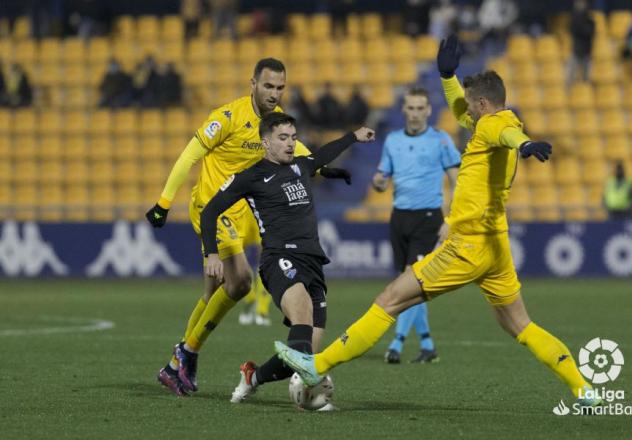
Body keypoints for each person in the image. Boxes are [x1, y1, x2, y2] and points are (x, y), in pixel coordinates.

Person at [275, 35, 601, 408]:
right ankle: (582, 387)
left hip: (467, 245)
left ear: (484, 104)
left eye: (472, 108)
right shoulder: (489, 120)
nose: (468, 117)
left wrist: (524, 144)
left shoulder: (496, 126)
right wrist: (448, 76)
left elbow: (506, 134)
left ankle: (317, 364)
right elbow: (469, 113)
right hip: (496, 244)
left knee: (390, 300)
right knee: (520, 325)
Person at [145, 58, 350, 396]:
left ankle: (176, 363)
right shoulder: (227, 117)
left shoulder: (273, 124)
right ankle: (186, 353)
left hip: (244, 211)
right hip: (213, 204)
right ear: (252, 83)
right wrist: (164, 203)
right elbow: (189, 155)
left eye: (280, 87)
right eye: (268, 86)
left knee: (215, 295)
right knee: (240, 281)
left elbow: (299, 151)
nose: (274, 93)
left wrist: (326, 171)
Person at [200, 112, 374, 404]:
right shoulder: (251, 177)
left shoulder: (300, 166)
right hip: (279, 259)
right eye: (283, 138)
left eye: (293, 137)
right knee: (302, 319)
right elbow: (209, 212)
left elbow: (321, 156)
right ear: (266, 142)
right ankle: (312, 396)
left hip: (313, 261)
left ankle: (252, 377)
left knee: (307, 355)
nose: (291, 143)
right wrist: (211, 254)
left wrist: (352, 138)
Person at [372, 86, 460, 364]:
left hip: (428, 217)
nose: (415, 113)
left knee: (409, 280)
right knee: (406, 281)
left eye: (420, 108)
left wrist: (450, 219)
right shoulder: (393, 141)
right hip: (399, 216)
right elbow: (382, 174)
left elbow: (458, 181)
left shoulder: (441, 140)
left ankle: (396, 344)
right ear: (403, 110)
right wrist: (378, 181)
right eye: (410, 108)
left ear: (429, 110)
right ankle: (427, 344)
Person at [567, 0, 595, 84]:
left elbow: (589, 31)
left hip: (586, 50)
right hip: (577, 50)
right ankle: (568, 94)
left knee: (587, 77)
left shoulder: (589, 18)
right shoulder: (574, 17)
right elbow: (574, 29)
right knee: (570, 75)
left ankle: (587, 91)